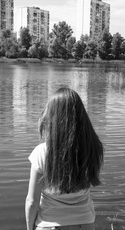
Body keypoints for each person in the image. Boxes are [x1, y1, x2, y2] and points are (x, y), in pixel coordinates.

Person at [25, 87, 104, 230]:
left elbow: (32, 201)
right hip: (84, 224)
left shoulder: (41, 152)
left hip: (49, 225)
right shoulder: (94, 148)